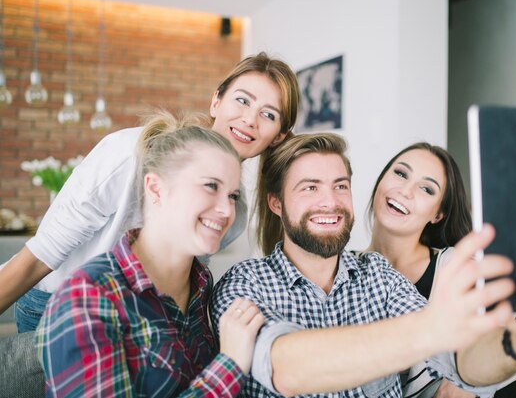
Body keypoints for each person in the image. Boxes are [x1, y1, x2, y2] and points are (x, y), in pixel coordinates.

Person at [212, 132, 516, 397]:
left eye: (340, 186)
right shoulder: (244, 283)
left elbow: (459, 362)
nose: (330, 202)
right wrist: (434, 329)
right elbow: (283, 367)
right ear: (276, 203)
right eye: (310, 188)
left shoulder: (379, 275)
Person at [0, 51, 299, 332]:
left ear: (278, 137)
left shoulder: (232, 211)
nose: (249, 119)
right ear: (216, 102)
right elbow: (39, 257)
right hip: (55, 303)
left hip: (135, 318)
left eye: (268, 115)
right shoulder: (128, 155)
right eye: (242, 100)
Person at [35, 111, 265, 397]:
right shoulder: (88, 297)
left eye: (232, 196)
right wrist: (229, 366)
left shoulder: (201, 283)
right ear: (156, 188)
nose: (227, 210)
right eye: (210, 186)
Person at [364, 142, 516, 397]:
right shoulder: (342, 273)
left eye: (426, 188)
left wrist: (459, 381)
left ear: (437, 215)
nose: (405, 191)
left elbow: (503, 331)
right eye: (401, 173)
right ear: (381, 180)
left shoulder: (458, 265)